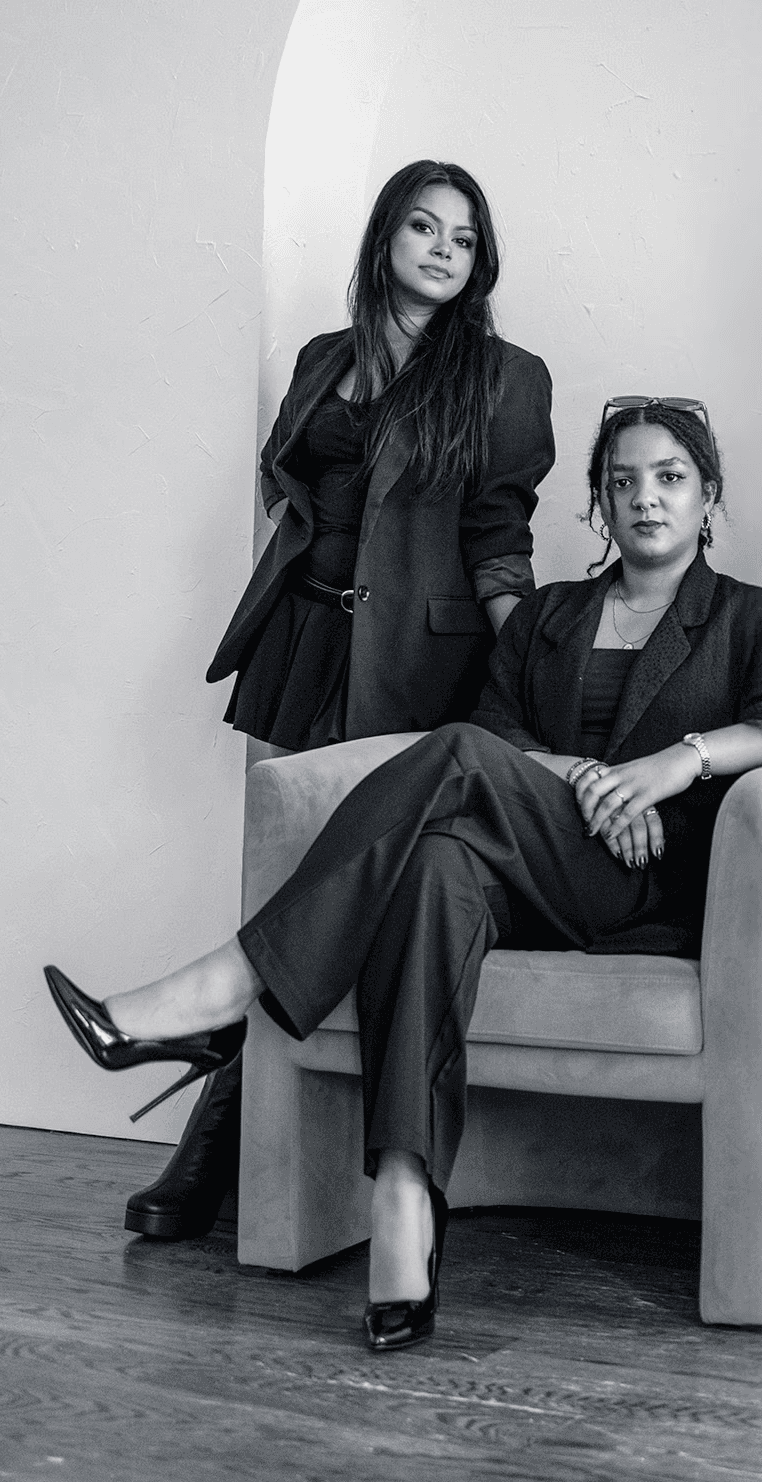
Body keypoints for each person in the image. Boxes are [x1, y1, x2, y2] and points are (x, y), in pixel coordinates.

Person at [45, 396, 762, 1349]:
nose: (646, 498)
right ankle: (405, 1201)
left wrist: (676, 764)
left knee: (457, 752)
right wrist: (583, 777)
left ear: (708, 495)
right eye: (623, 480)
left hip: (642, 884)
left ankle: (229, 986)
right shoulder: (548, 617)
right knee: (434, 864)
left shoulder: (752, 617)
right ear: (598, 502)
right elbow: (504, 740)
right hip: (531, 870)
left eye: (670, 478)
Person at [122, 161, 555, 1242]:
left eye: (464, 237)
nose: (443, 250)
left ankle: (210, 1146)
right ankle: (226, 1132)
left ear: (480, 261)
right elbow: (291, 479)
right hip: (303, 647)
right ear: (384, 239)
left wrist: (532, 671)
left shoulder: (505, 377)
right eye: (424, 227)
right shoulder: (326, 357)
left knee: (342, 884)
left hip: (417, 666)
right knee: (277, 882)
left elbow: (498, 534)